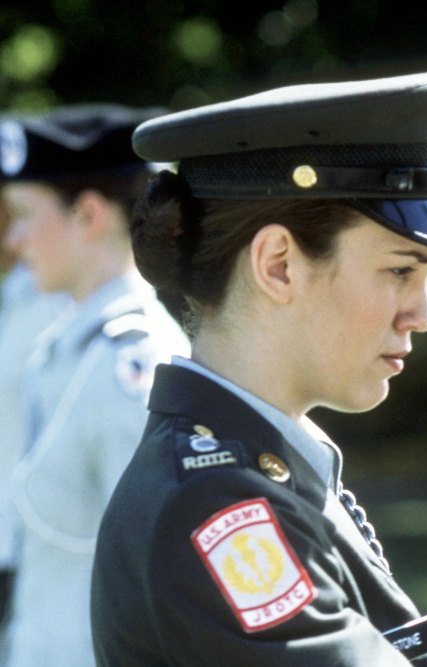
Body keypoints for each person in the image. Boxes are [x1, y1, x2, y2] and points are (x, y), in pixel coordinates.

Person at [90, 69, 427, 666]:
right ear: (279, 264)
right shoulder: (214, 511)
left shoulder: (259, 468)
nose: (424, 313)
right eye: (400, 271)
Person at [0, 104, 189, 666]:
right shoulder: (73, 343)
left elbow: (158, 576)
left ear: (88, 215)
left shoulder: (131, 364)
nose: (15, 239)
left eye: (24, 214)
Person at [0, 184, 69, 660]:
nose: (13, 237)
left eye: (22, 214)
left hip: (39, 546)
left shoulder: (62, 299)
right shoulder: (21, 288)